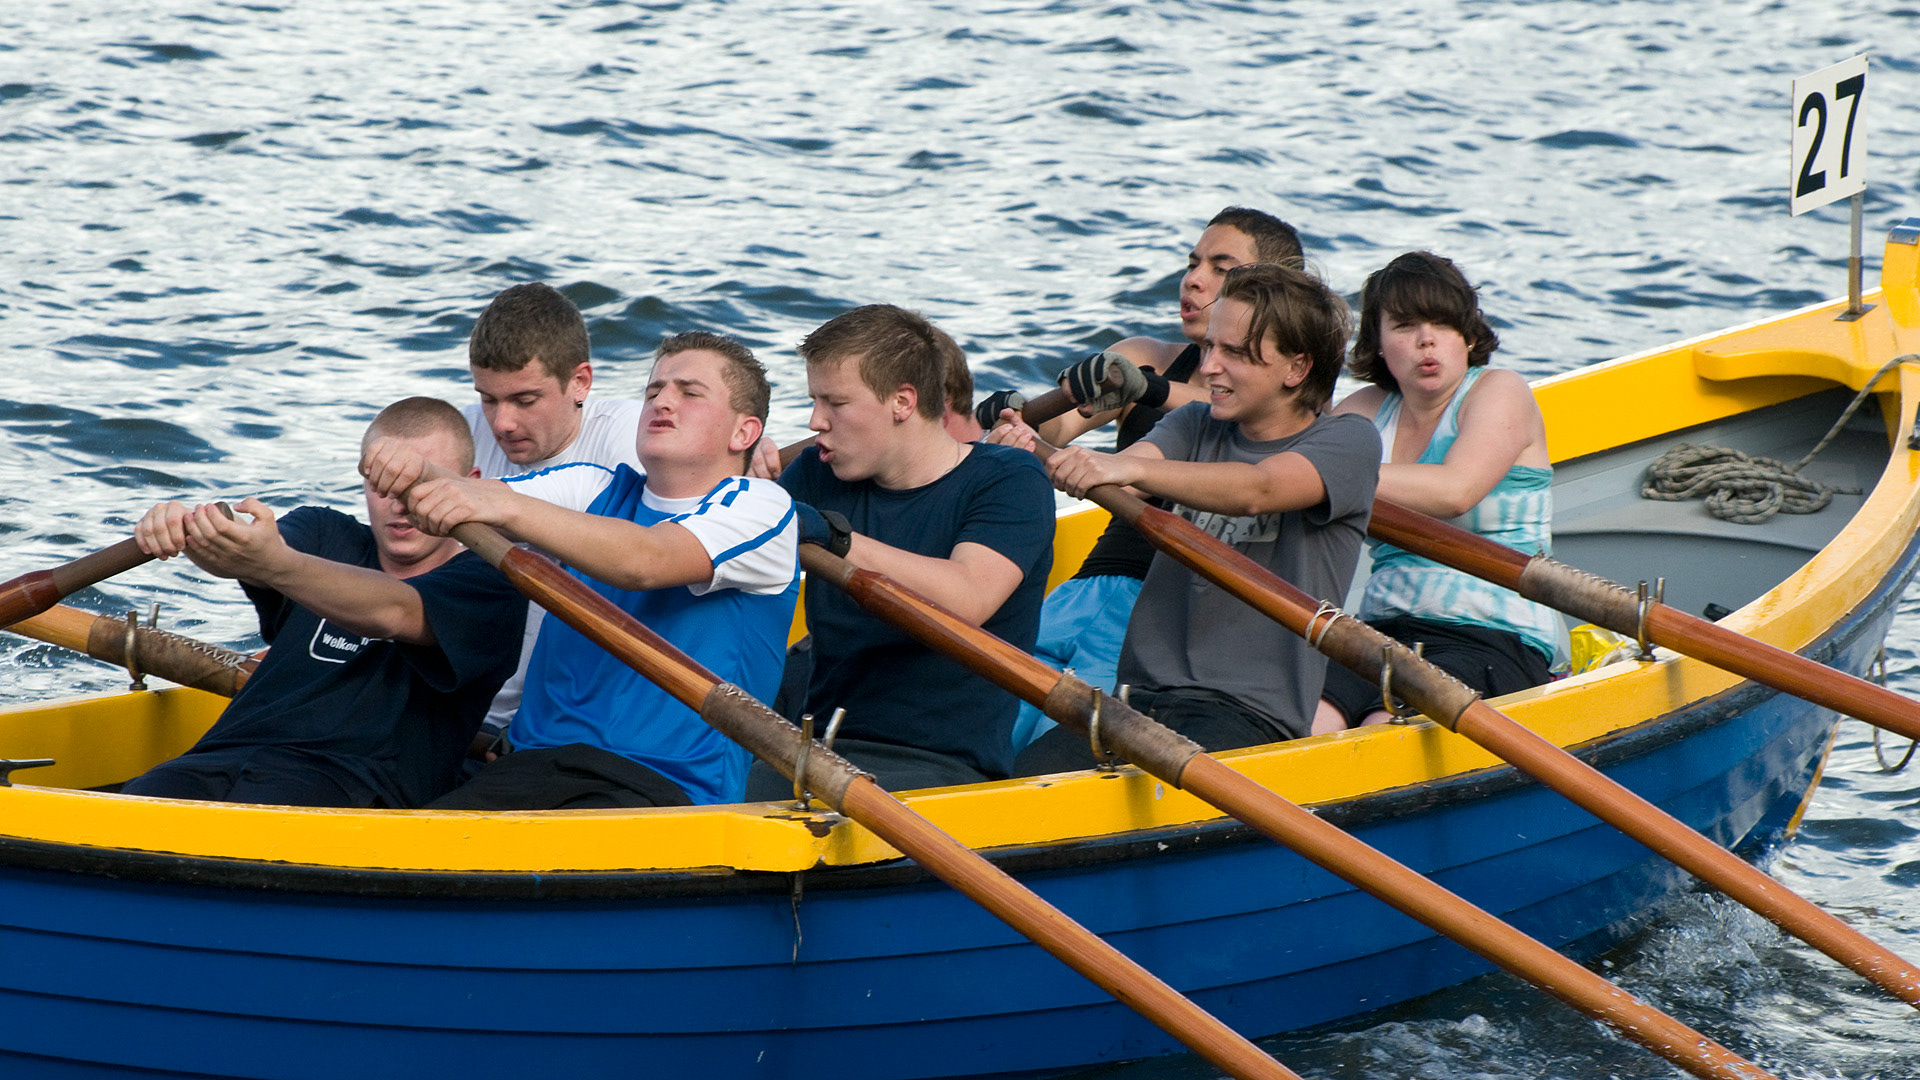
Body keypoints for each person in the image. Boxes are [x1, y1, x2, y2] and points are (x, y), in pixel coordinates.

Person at [364, 332, 799, 809]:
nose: (662, 402)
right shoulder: (594, 486)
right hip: (529, 765)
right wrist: (414, 472)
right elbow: (482, 498)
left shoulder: (762, 507)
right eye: (654, 390)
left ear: (743, 433)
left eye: (689, 393)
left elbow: (645, 561)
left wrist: (497, 504)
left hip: (660, 788)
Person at [996, 263, 1378, 775]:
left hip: (1247, 715)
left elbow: (1259, 489)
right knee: (1022, 780)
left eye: (1234, 353)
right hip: (1135, 700)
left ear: (1296, 367)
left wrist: (1124, 466)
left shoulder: (1347, 440)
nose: (1210, 366)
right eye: (1209, 347)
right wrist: (1031, 446)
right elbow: (1125, 478)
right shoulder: (1195, 423)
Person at [974, 206, 1304, 748]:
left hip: (1168, 615)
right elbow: (1056, 429)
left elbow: (1239, 412)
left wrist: (1148, 389)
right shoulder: (1144, 357)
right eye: (1192, 263)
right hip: (1086, 587)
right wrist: (1019, 415)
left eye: (1221, 268)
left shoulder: (1288, 403)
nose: (1193, 280)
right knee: (984, 721)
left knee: (1055, 749)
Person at [120, 397, 527, 808]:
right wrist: (191, 528)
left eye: (420, 484)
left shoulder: (490, 582)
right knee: (141, 798)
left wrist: (276, 563)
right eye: (384, 484)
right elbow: (249, 551)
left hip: (351, 782)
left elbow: (395, 611)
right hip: (224, 754)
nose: (400, 503)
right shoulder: (322, 531)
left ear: (469, 484)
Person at [744, 305, 1055, 797]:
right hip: (814, 747)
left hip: (942, 766)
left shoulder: (1009, 479)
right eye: (813, 401)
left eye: (835, 403)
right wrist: (738, 480)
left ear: (902, 402)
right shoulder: (817, 474)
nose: (815, 421)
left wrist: (836, 537)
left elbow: (968, 597)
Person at [1315, 251, 1557, 732]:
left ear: (1469, 336)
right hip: (1380, 631)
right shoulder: (1363, 411)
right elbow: (1294, 472)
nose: (1426, 339)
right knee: (1306, 721)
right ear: (1378, 344)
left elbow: (1455, 491)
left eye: (1442, 323)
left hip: (1495, 636)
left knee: (1385, 728)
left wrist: (1331, 476)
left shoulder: (1499, 390)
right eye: (1405, 325)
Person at [461, 282, 648, 748]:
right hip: (464, 704)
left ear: (580, 382)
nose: (502, 423)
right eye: (488, 398)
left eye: (525, 401)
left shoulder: (634, 439)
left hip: (573, 717)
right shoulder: (462, 433)